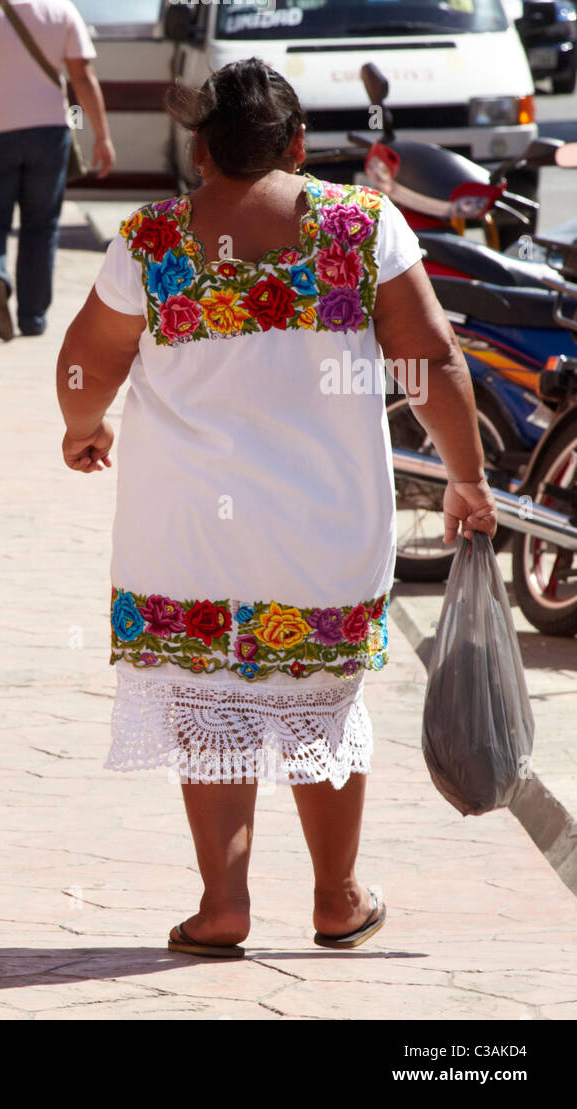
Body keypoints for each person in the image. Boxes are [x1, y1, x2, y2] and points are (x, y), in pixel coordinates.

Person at [56, 59, 496, 957]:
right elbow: (433, 365)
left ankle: (222, 904)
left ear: (201, 147)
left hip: (183, 540)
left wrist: (83, 425)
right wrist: (468, 479)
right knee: (320, 707)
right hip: (320, 533)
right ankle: (336, 898)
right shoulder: (363, 226)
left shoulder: (151, 239)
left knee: (208, 701)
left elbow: (85, 359)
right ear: (298, 144)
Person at [0, 0, 114, 340]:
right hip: (49, 132)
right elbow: (82, 75)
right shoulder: (60, 8)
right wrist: (102, 137)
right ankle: (32, 317)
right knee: (41, 225)